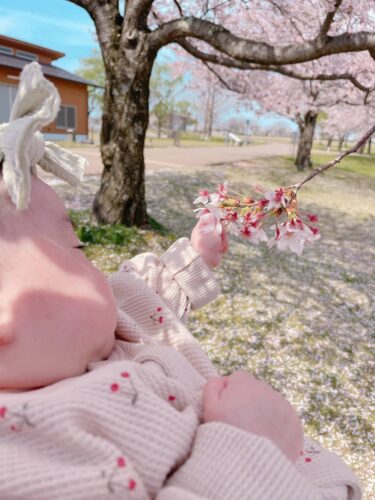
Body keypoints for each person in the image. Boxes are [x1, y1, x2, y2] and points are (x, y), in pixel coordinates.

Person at [0, 63, 362, 500]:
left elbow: (143, 296)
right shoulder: (25, 459)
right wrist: (246, 444)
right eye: (77, 247)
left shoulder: (78, 336)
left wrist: (194, 255)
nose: (101, 269)